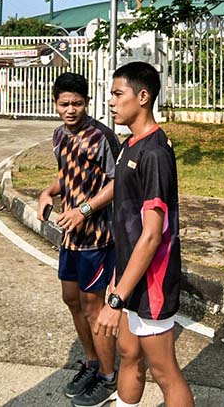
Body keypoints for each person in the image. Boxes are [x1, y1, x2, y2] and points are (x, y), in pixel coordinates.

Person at [95, 61, 193, 407]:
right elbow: (126, 224)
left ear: (143, 96)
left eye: (118, 94)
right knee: (128, 353)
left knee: (164, 371)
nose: (111, 101)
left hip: (151, 282)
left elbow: (152, 235)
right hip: (129, 276)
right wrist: (117, 282)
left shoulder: (154, 152)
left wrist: (116, 299)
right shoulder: (130, 145)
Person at [37, 72, 121, 407]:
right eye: (64, 103)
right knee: (71, 299)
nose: (71, 109)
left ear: (87, 102)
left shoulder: (102, 136)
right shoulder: (59, 135)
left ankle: (108, 377)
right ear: (55, 103)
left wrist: (84, 210)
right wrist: (47, 192)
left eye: (77, 103)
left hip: (98, 237)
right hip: (71, 237)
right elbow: (67, 175)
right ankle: (91, 362)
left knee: (93, 306)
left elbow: (118, 184)